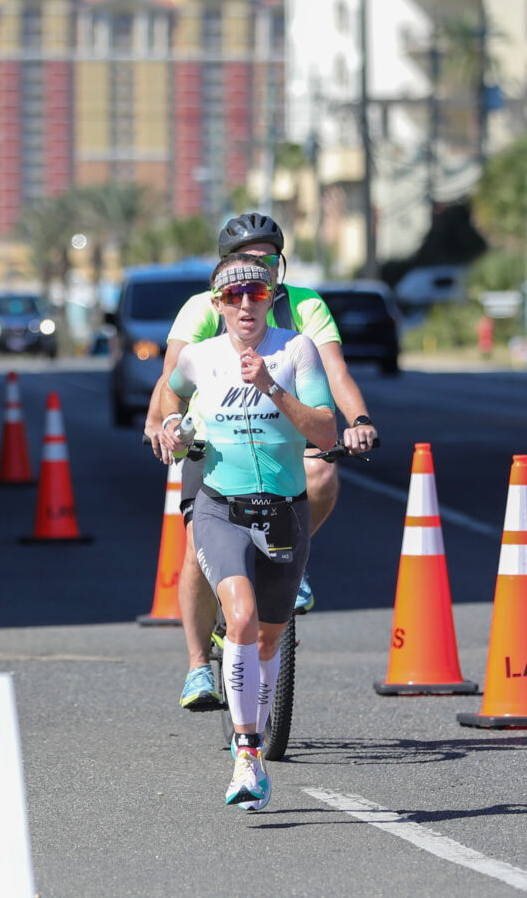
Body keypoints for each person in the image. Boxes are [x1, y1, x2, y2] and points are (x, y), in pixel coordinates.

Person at [144, 212, 379, 710]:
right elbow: (172, 380)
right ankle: (195, 667)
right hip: (213, 445)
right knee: (195, 549)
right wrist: (163, 425)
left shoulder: (305, 307)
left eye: (269, 262)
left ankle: (289, 564)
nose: (256, 277)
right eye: (246, 264)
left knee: (323, 472)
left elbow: (334, 371)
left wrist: (357, 417)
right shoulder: (209, 304)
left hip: (283, 439)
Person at [158, 253, 336, 809]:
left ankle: (251, 744)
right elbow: (167, 392)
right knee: (240, 616)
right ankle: (247, 754)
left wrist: (272, 389)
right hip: (220, 506)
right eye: (232, 297)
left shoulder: (295, 350)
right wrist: (166, 427)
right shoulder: (199, 358)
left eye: (255, 294)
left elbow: (327, 430)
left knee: (268, 637)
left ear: (270, 296)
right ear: (217, 305)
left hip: (285, 508)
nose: (244, 305)